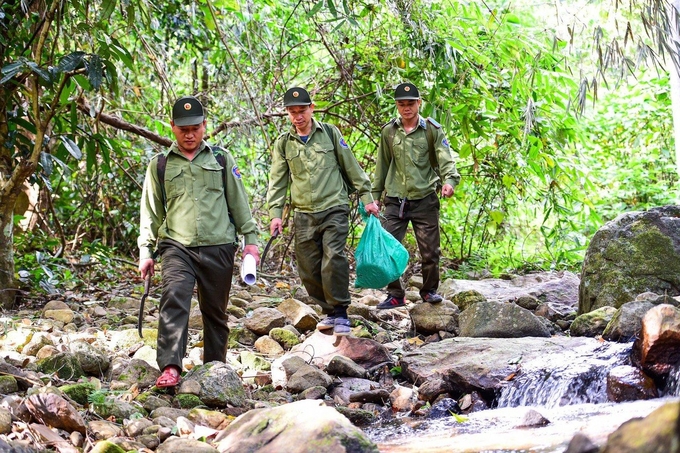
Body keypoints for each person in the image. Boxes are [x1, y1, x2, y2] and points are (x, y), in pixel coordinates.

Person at [138, 95, 260, 388]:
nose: (189, 134)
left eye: (195, 127)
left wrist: (251, 240)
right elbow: (151, 211)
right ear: (172, 127)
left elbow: (238, 202)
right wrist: (146, 250)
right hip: (176, 246)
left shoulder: (220, 159)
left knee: (215, 312)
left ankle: (215, 367)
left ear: (205, 125)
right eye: (183, 129)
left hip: (218, 245)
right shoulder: (160, 165)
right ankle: (170, 366)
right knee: (174, 298)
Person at [267, 87, 379, 336]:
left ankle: (340, 312)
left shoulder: (329, 133)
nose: (298, 116)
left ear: (312, 108)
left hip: (334, 207)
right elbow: (278, 182)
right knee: (308, 268)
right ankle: (328, 310)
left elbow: (351, 166)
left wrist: (367, 197)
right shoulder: (284, 143)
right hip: (304, 213)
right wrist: (276, 214)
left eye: (302, 110)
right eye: (292, 112)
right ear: (287, 113)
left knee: (333, 259)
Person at [372, 82, 460, 310]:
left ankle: (429, 290)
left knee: (430, 252)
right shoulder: (389, 131)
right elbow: (382, 166)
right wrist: (373, 196)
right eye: (401, 104)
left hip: (424, 199)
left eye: (410, 103)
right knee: (388, 249)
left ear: (419, 103)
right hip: (395, 200)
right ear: (397, 106)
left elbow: (446, 160)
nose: (406, 108)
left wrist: (449, 182)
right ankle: (395, 294)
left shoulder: (432, 129)